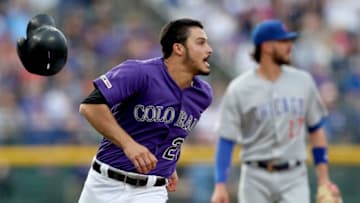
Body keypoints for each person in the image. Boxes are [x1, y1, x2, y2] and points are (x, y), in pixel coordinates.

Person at [78, 18, 213, 203]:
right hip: (103, 183)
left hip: (151, 191)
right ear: (178, 48)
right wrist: (128, 144)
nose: (209, 49)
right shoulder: (139, 72)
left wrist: (168, 164)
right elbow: (90, 107)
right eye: (201, 43)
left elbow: (171, 131)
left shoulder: (202, 95)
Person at [211, 19, 340, 203]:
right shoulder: (239, 88)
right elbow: (226, 139)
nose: (290, 46)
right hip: (255, 177)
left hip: (294, 176)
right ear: (267, 47)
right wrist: (220, 185)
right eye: (283, 41)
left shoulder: (303, 81)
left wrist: (324, 178)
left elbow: (316, 130)